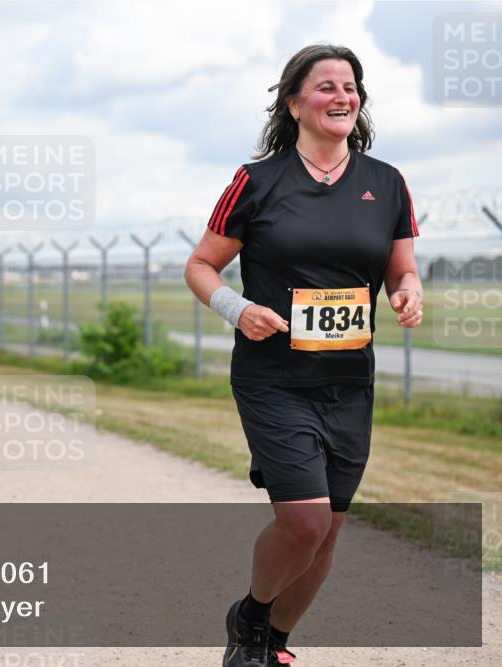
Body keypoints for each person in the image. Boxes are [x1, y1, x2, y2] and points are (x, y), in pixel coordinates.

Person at [184, 44, 421, 667]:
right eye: (325, 86)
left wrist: (406, 294)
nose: (342, 96)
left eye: (351, 86)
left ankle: (273, 644)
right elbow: (201, 265)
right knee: (307, 521)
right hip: (273, 379)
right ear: (294, 103)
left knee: (329, 532)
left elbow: (403, 271)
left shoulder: (386, 183)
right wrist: (238, 310)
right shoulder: (257, 181)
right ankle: (251, 619)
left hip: (348, 382)